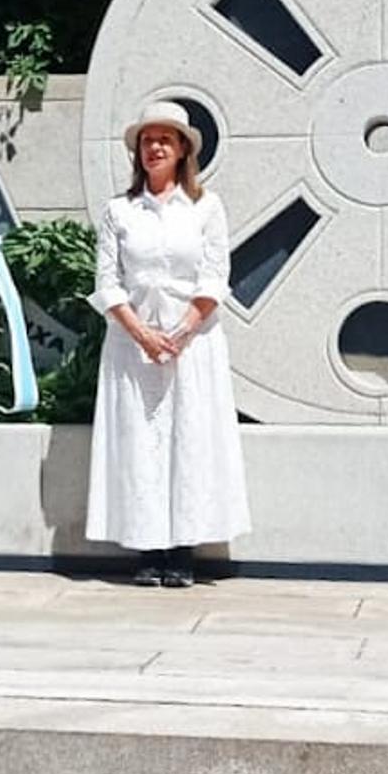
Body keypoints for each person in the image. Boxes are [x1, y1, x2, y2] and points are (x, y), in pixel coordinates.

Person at [86, 99, 250, 587]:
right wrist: (142, 333)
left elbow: (215, 277)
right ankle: (149, 551)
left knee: (189, 441)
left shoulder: (206, 207)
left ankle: (184, 551)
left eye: (165, 139)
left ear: (182, 150)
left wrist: (178, 334)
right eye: (147, 139)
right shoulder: (119, 210)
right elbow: (108, 281)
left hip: (191, 344)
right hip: (132, 345)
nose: (155, 147)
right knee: (141, 444)